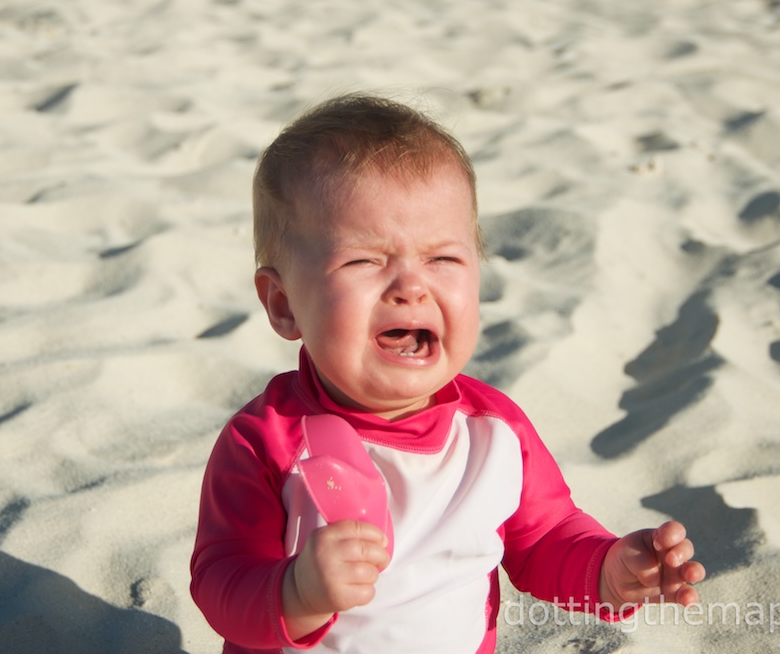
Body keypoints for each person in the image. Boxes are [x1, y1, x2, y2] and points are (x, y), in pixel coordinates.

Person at [190, 93, 705, 653]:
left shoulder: (492, 431)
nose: (411, 285)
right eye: (364, 260)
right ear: (284, 305)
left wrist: (610, 571)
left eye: (443, 259)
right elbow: (220, 580)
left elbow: (546, 540)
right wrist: (297, 591)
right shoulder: (266, 439)